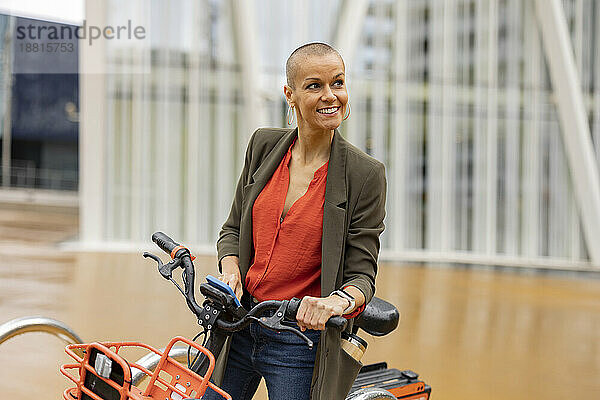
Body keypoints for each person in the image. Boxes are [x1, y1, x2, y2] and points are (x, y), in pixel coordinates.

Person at [205, 42, 387, 400]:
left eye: (338, 82)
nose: (330, 95)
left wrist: (334, 303)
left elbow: (362, 275)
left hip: (298, 341)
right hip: (240, 322)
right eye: (314, 85)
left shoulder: (365, 174)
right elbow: (232, 230)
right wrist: (231, 271)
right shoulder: (263, 146)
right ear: (290, 94)